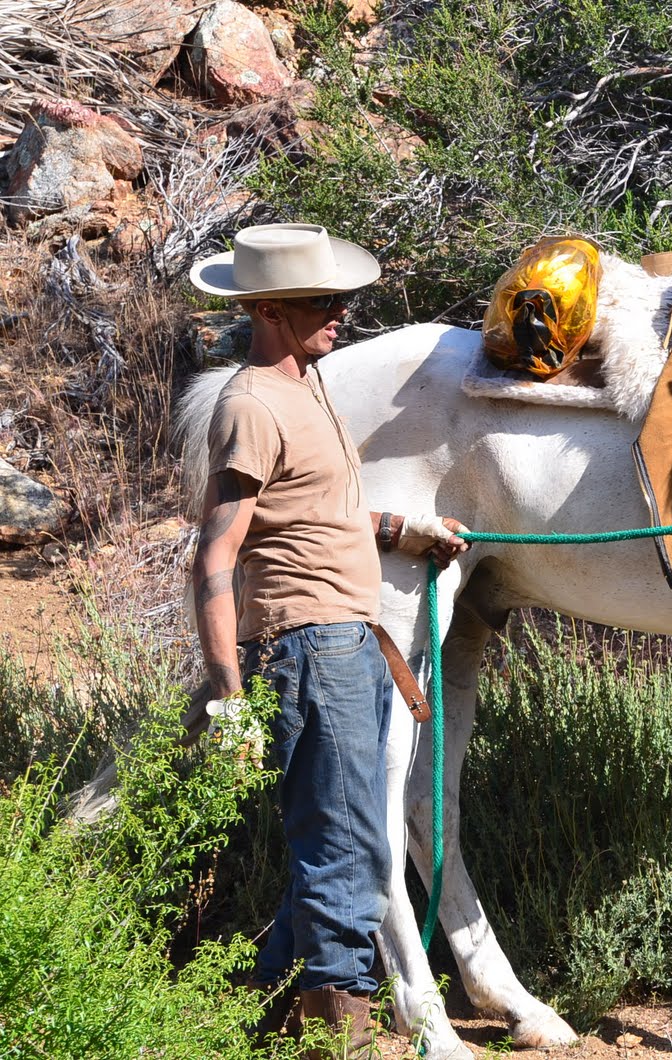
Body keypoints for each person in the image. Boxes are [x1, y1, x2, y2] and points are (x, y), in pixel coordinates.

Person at [188, 223, 469, 1055]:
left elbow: (312, 510)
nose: (342, 313)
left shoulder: (306, 383)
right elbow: (216, 553)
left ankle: (248, 1021)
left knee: (339, 840)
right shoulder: (250, 405)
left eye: (344, 298)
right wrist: (230, 695)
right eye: (323, 301)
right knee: (348, 849)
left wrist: (403, 529)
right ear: (268, 308)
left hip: (346, 642)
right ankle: (333, 1038)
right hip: (311, 648)